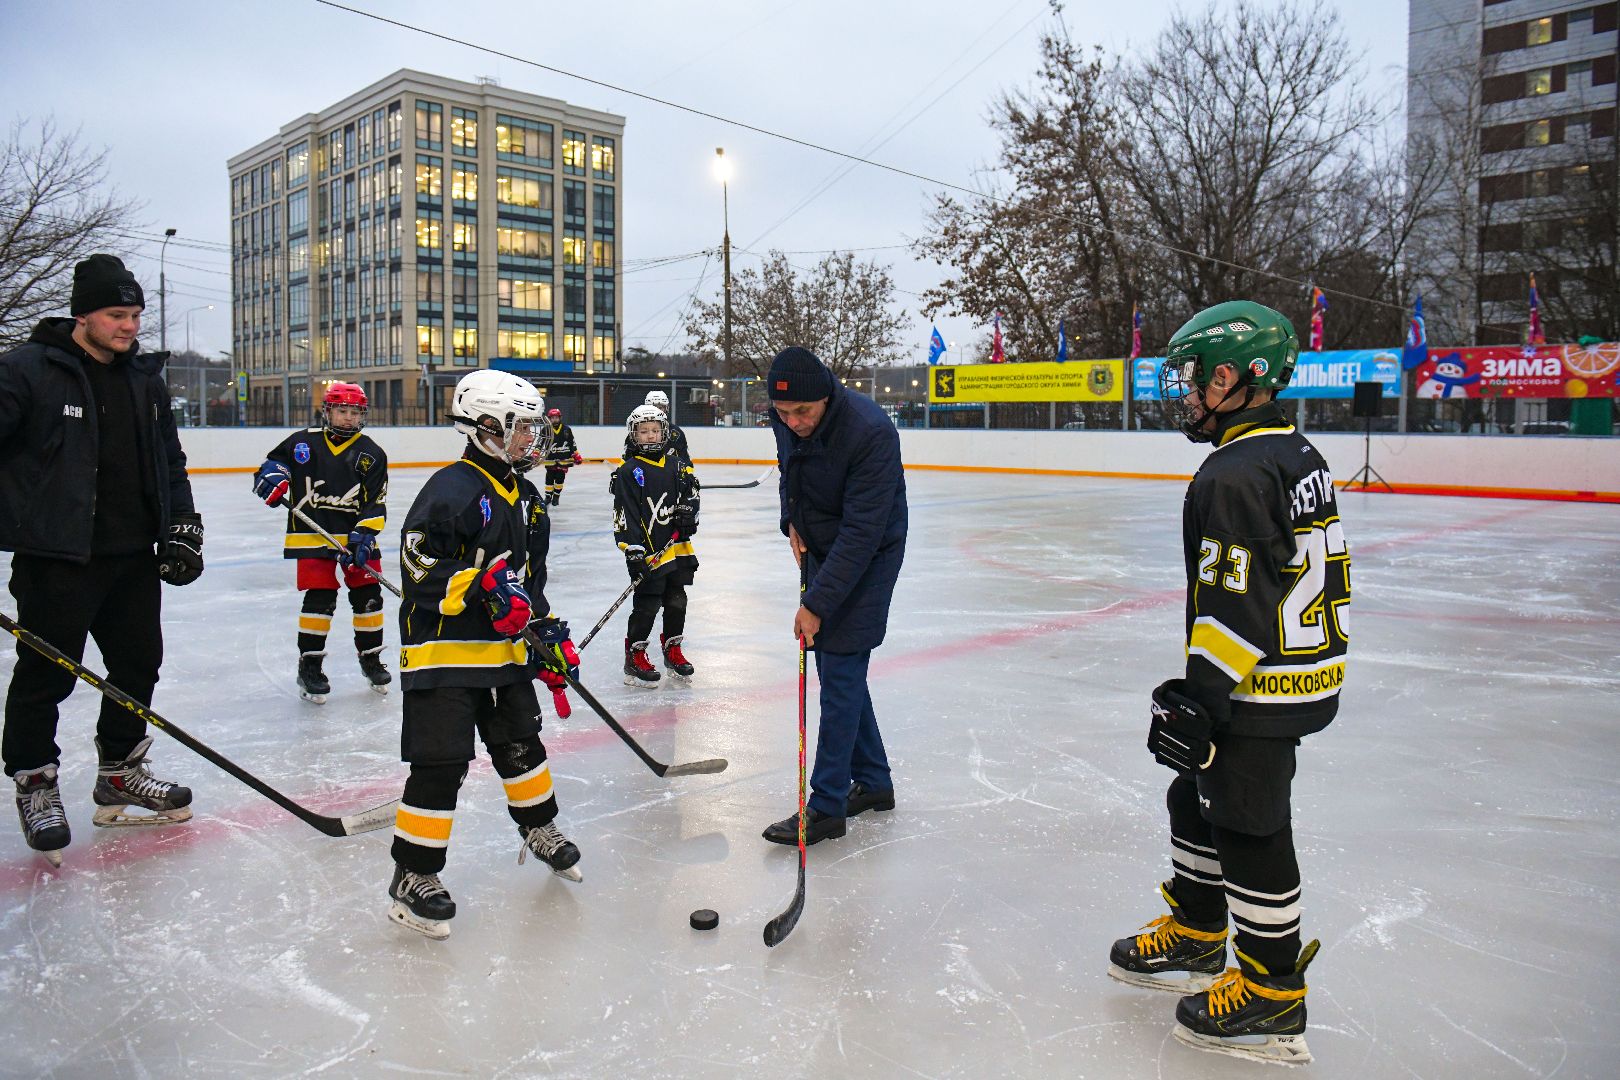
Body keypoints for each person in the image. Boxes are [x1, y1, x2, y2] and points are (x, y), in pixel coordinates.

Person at [1107, 300, 1348, 1066]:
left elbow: (1237, 603)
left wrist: (1203, 699)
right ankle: (1199, 930)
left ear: (1236, 378)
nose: (1185, 392)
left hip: (1258, 682)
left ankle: (1274, 993)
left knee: (1248, 823)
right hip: (1290, 668)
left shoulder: (1233, 474)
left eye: (1195, 378)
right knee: (1195, 797)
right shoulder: (1292, 450)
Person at [0, 254, 202, 865]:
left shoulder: (144, 379)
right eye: (117, 314)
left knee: (138, 667)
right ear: (82, 314)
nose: (130, 326)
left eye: (135, 314)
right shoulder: (27, 371)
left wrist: (182, 526)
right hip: (57, 556)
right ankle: (35, 781)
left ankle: (119, 772)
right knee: (47, 674)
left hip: (133, 556)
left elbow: (169, 460)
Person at [386, 369, 582, 940]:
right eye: (521, 428)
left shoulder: (530, 500)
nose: (531, 439)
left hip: (504, 655)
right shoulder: (451, 490)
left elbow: (528, 583)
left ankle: (538, 828)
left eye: (533, 428)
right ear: (485, 427)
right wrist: (480, 586)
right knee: (441, 763)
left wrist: (544, 636)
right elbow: (418, 567)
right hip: (442, 656)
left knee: (522, 743)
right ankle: (414, 872)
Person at [761, 347, 906, 847]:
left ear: (826, 395)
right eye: (784, 413)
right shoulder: (787, 419)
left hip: (869, 553)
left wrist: (816, 604)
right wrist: (791, 521)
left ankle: (826, 806)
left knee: (841, 667)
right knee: (836, 666)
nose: (794, 422)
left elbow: (864, 533)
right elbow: (790, 471)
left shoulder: (870, 432)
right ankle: (875, 781)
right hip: (821, 543)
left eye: (803, 411)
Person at [252, 382, 391, 703]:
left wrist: (364, 536)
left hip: (358, 538)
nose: (348, 418)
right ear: (327, 411)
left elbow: (376, 502)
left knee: (369, 598)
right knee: (320, 601)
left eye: (354, 412)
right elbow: (273, 465)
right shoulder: (302, 442)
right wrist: (272, 476)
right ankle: (310, 666)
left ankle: (370, 658)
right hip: (312, 536)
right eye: (342, 410)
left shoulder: (372, 453)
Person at [610, 405, 700, 687]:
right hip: (647, 550)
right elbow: (625, 513)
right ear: (633, 435)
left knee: (677, 600)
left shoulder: (677, 465)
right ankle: (634, 656)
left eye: (655, 430)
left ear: (664, 433)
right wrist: (633, 550)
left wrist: (689, 512)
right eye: (643, 431)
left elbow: (692, 493)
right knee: (647, 604)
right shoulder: (629, 471)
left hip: (676, 547)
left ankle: (672, 650)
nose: (650, 436)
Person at [539, 406, 583, 505]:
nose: (554, 420)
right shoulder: (546, 430)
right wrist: (536, 453)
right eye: (552, 418)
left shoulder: (567, 429)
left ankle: (556, 496)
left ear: (560, 418)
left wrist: (576, 455)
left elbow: (572, 444)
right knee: (549, 478)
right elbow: (539, 444)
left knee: (560, 479)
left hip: (564, 459)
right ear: (549, 419)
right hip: (550, 459)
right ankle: (548, 497)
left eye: (556, 417)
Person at [642, 389, 693, 467]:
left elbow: (685, 459)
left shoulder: (676, 432)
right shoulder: (637, 432)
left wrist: (688, 472)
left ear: (666, 408)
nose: (658, 411)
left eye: (660, 407)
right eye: (654, 407)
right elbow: (628, 460)